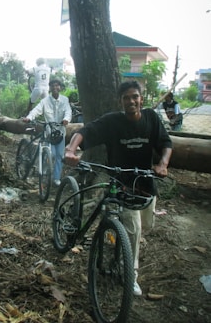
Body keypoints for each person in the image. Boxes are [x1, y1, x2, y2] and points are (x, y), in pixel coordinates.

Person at [64, 80, 172, 296]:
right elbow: (86, 131)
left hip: (145, 182)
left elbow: (166, 143)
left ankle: (122, 242)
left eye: (135, 97)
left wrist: (162, 164)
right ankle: (129, 274)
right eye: (126, 98)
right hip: (121, 181)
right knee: (134, 229)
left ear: (141, 98)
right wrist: (70, 148)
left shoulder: (151, 118)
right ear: (120, 101)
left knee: (146, 225)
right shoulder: (112, 122)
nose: (131, 101)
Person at [23, 79, 72, 185]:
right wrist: (29, 117)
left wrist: (66, 119)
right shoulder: (45, 101)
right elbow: (36, 110)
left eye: (57, 85)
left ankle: (56, 178)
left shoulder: (65, 100)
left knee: (59, 156)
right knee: (52, 154)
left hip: (60, 132)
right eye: (53, 86)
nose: (55, 87)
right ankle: (44, 169)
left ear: (60, 87)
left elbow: (68, 111)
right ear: (49, 88)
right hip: (49, 132)